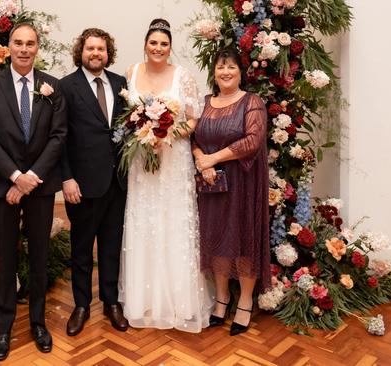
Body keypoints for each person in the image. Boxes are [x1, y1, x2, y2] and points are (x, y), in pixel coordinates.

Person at [0, 23, 66, 358]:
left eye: (30, 43)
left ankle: (38, 324)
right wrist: (16, 177)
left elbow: (58, 137)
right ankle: (3, 328)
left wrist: (30, 178)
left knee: (39, 257)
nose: (24, 49)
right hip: (5, 186)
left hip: (40, 187)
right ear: (8, 47)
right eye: (18, 43)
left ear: (37, 48)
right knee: (7, 258)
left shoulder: (52, 87)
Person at [118, 18, 212, 333]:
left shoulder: (182, 76)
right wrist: (145, 134)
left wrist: (166, 135)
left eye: (164, 44)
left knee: (172, 223)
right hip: (141, 162)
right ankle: (143, 301)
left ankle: (179, 303)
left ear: (170, 48)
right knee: (144, 223)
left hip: (173, 161)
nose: (158, 48)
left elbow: (194, 119)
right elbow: (127, 118)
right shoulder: (131, 73)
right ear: (145, 44)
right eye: (153, 42)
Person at [192, 47, 270, 336]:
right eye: (220, 67)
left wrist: (214, 158)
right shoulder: (204, 103)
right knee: (217, 238)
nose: (225, 72)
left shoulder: (252, 102)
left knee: (242, 237)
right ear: (213, 72)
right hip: (211, 184)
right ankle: (221, 299)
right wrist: (201, 158)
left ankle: (245, 301)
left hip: (243, 183)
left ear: (240, 72)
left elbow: (252, 141)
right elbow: (193, 137)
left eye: (231, 67)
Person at [59, 28, 129, 336]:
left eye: (101, 49)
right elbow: (58, 138)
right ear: (81, 51)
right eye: (90, 48)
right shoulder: (65, 86)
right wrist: (66, 178)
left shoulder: (120, 84)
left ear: (107, 52)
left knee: (112, 247)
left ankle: (112, 302)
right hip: (82, 184)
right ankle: (82, 305)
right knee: (82, 248)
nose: (96, 53)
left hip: (117, 183)